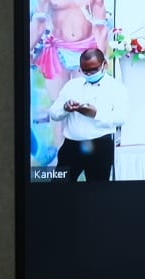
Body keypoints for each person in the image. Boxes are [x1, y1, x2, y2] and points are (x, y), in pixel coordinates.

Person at [31, 0, 110, 147]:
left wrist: (102, 58)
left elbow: (100, 28)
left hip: (86, 53)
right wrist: (27, 50)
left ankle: (84, 156)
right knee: (58, 107)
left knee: (85, 106)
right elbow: (38, 24)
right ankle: (61, 157)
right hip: (57, 52)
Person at [47, 48, 128, 182]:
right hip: (71, 146)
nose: (89, 74)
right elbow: (54, 114)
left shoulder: (116, 88)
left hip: (100, 147)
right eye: (85, 70)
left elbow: (121, 117)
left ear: (104, 64)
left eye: (93, 70)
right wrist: (65, 108)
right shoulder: (71, 85)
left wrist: (95, 114)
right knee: (58, 188)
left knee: (97, 191)